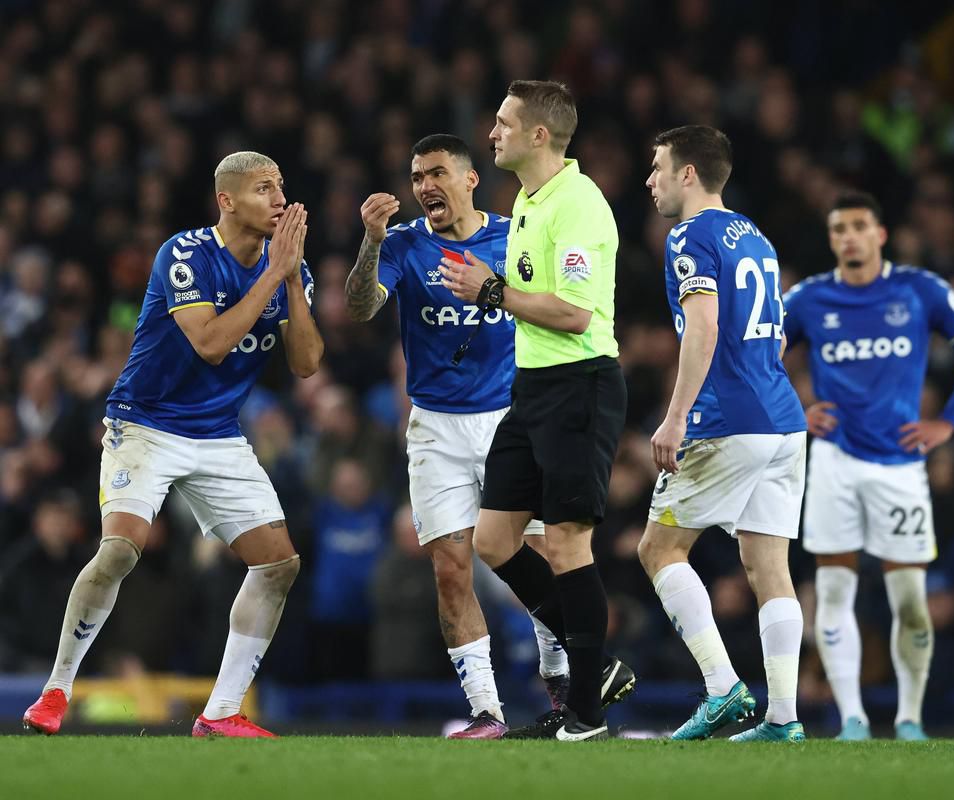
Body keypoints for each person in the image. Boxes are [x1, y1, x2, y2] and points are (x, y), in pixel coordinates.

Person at [22, 151, 323, 738]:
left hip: (217, 434)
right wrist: (273, 275)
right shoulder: (184, 254)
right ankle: (56, 691)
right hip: (146, 423)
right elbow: (210, 343)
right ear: (227, 200)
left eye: (281, 187)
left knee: (279, 564)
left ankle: (221, 712)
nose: (280, 199)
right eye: (264, 188)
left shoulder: (290, 270)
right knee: (120, 550)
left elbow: (307, 364)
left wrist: (290, 279)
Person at [344, 133, 569, 738]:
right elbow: (360, 307)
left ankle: (559, 677)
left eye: (437, 173)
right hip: (435, 429)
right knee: (450, 568)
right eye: (417, 176)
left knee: (539, 555)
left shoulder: (515, 237)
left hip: (509, 418)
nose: (425, 186)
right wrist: (370, 242)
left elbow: (559, 308)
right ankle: (486, 711)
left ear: (470, 179)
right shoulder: (403, 243)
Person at [441, 81, 632, 742]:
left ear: (539, 135)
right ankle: (596, 669)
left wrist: (492, 291)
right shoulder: (528, 199)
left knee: (567, 541)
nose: (492, 133)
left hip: (581, 384)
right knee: (494, 539)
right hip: (532, 387)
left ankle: (586, 715)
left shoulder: (577, 204)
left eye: (503, 123)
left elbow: (576, 314)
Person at [782, 191, 954, 740]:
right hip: (833, 460)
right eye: (839, 229)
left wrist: (947, 424)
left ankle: (909, 719)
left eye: (859, 226)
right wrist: (796, 411)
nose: (849, 237)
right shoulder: (808, 299)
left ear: (880, 234)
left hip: (900, 464)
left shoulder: (920, 290)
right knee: (833, 591)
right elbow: (757, 357)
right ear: (831, 239)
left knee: (909, 597)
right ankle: (852, 718)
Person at [637, 125, 808, 743]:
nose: (650, 180)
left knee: (658, 549)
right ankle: (783, 718)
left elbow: (703, 326)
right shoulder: (755, 236)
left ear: (688, 174)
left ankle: (721, 687)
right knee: (770, 568)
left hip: (726, 421)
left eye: (658, 167)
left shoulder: (690, 235)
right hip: (783, 420)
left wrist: (677, 415)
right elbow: (777, 335)